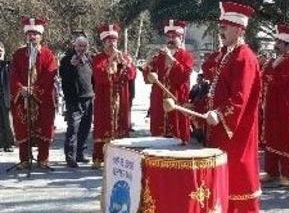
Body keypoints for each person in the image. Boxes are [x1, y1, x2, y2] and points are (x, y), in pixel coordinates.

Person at [204, 1, 262, 213]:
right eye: (221, 26)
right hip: (223, 127)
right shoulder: (228, 54)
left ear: (239, 29)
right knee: (225, 172)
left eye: (225, 27)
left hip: (238, 129)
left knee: (242, 172)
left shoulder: (244, 57)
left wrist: (220, 113)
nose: (221, 31)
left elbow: (240, 97)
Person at [10, 17, 59, 169]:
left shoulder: (48, 54)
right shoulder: (18, 55)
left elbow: (50, 75)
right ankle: (24, 159)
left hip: (43, 98)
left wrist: (34, 90)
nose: (32, 37)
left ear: (41, 36)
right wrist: (21, 88)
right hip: (22, 97)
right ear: (25, 36)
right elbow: (13, 74)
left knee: (44, 127)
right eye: (29, 34)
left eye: (35, 34)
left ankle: (43, 158)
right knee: (23, 127)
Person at [260, 23, 289, 188]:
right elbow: (264, 75)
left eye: (279, 43)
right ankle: (272, 171)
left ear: (287, 45)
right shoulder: (274, 60)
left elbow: (278, 80)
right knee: (271, 137)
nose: (276, 45)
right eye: (276, 42)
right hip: (271, 104)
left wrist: (268, 74)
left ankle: (287, 174)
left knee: (284, 139)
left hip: (283, 106)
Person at [142, 20, 194, 143]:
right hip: (159, 101)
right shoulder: (159, 56)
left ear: (181, 38)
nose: (170, 39)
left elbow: (183, 76)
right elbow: (148, 78)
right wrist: (148, 64)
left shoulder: (186, 56)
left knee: (177, 136)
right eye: (168, 36)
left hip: (177, 100)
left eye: (174, 36)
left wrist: (172, 60)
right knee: (158, 139)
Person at [92, 23, 136, 167]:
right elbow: (99, 77)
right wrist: (111, 61)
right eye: (108, 41)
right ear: (103, 43)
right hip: (104, 98)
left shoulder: (125, 56)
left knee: (121, 125)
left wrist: (126, 64)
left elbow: (131, 75)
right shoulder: (98, 58)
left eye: (114, 40)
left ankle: (121, 160)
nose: (112, 43)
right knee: (102, 125)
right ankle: (99, 158)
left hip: (121, 98)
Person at [60, 35, 94, 167]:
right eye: (79, 46)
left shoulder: (90, 59)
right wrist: (71, 66)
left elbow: (94, 78)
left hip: (88, 98)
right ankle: (70, 157)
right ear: (74, 46)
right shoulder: (67, 59)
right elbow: (63, 77)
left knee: (85, 128)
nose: (81, 49)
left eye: (84, 46)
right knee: (73, 128)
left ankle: (80, 153)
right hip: (74, 100)